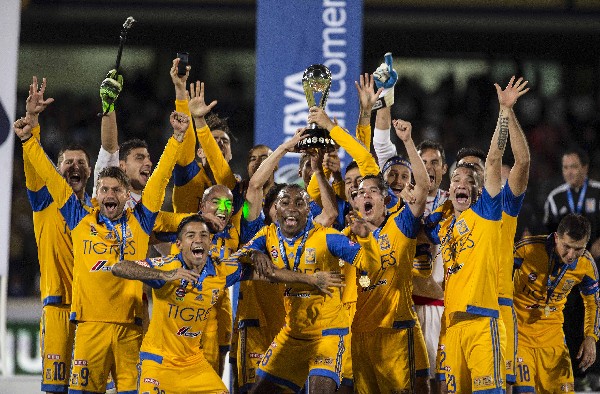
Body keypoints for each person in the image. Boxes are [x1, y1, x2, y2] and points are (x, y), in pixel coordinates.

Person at [15, 108, 189, 393]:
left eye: (116, 190)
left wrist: (177, 138)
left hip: (130, 329)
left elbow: (159, 180)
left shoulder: (141, 220)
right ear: (99, 194)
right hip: (89, 327)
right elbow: (49, 175)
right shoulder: (80, 217)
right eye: (105, 189)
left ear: (126, 195)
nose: (110, 195)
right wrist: (28, 141)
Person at [111, 214, 344, 394]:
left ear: (211, 243)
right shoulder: (166, 266)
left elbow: (270, 274)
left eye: (203, 235)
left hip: (193, 364)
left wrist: (311, 279)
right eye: (190, 236)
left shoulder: (221, 270)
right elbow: (119, 267)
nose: (198, 240)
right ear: (180, 244)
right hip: (158, 362)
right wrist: (164, 276)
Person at [226, 184, 380, 393]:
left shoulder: (327, 237)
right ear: (275, 209)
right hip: (293, 334)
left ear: (308, 210)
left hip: (328, 334)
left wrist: (365, 238)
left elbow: (371, 265)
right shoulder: (267, 235)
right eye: (285, 203)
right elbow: (238, 256)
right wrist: (253, 253)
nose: (292, 208)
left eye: (299, 203)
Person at [425, 77, 527, 393]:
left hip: (491, 310)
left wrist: (505, 112)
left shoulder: (490, 209)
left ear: (481, 184)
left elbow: (509, 160)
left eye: (470, 176)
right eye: (456, 176)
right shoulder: (444, 225)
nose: (461, 182)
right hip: (453, 320)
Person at [344, 117, 431, 393]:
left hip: (395, 330)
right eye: (359, 192)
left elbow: (423, 187)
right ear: (355, 202)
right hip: (360, 333)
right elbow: (362, 282)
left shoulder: (400, 226)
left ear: (384, 199)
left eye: (372, 191)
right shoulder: (346, 239)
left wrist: (407, 141)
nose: (365, 195)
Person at [457, 77, 531, 392]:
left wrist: (507, 112)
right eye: (463, 171)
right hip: (457, 313)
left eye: (479, 172)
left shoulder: (502, 206)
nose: (474, 177)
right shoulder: (449, 216)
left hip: (496, 305)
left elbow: (522, 161)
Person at [18, 76, 90, 393]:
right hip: (58, 308)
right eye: (67, 162)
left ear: (89, 171)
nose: (74, 166)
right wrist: (33, 123)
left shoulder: (100, 211)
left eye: (80, 162)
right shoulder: (44, 202)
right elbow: (34, 167)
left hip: (94, 314)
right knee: (56, 389)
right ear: (58, 170)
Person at [512, 213, 599, 393]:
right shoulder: (527, 249)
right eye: (567, 247)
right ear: (556, 237)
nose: (571, 255)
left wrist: (591, 336)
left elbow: (593, 303)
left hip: (554, 341)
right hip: (519, 337)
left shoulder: (586, 264)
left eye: (578, 249)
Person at [543, 146, 600, 388]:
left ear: (585, 168)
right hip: (565, 271)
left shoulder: (598, 193)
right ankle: (575, 375)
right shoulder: (555, 198)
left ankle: (595, 373)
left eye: (574, 167)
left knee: (595, 314)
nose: (569, 172)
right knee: (568, 317)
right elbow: (547, 233)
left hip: (596, 266)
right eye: (565, 167)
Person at [411, 139, 449, 391]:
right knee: (411, 378)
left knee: (439, 380)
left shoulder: (454, 202)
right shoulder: (406, 202)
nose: (428, 168)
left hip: (441, 304)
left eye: (434, 162)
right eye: (423, 163)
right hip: (408, 302)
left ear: (444, 168)